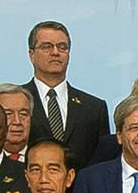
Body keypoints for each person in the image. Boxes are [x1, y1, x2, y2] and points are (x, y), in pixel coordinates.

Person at [22, 20, 110, 170]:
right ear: (31, 54)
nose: (55, 52)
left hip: (80, 192)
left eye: (62, 47)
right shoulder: (17, 101)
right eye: (47, 47)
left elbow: (102, 163)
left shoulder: (94, 108)